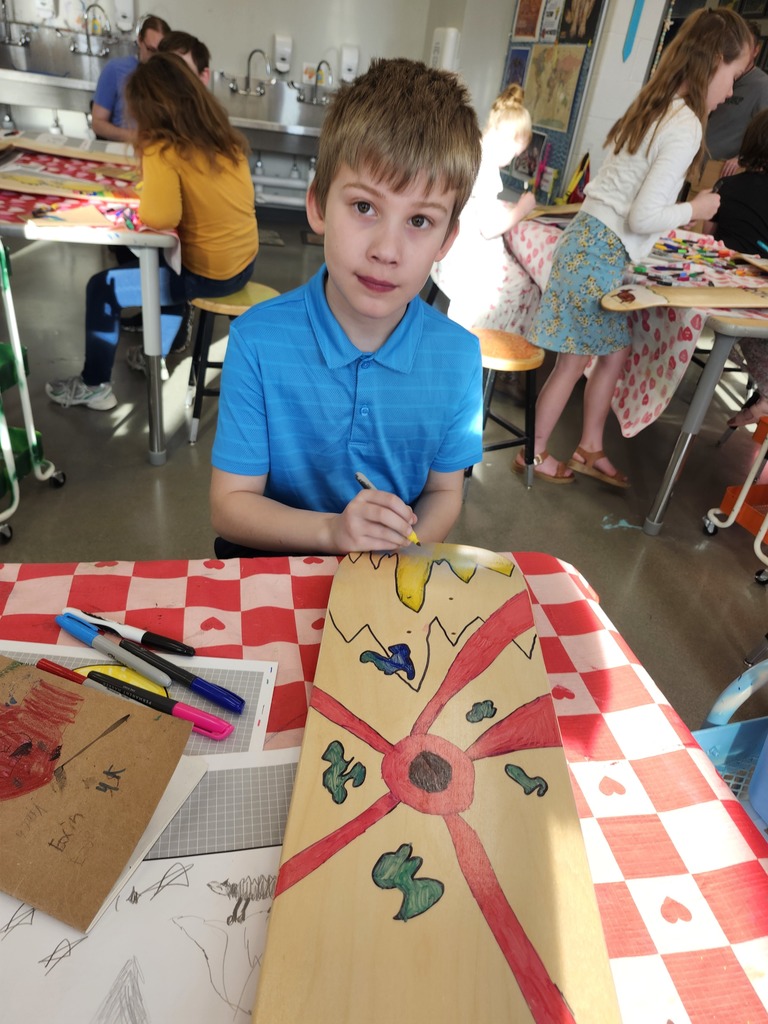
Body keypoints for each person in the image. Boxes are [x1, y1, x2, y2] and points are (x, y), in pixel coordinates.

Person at [210, 58, 483, 557]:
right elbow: (230, 505)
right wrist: (332, 533)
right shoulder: (256, 339)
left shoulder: (460, 358)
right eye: (364, 207)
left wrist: (402, 545)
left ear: (447, 239)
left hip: (388, 567)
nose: (387, 249)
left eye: (420, 220)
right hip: (271, 565)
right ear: (317, 206)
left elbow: (445, 492)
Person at [517, 6, 753, 486]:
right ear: (713, 62)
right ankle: (534, 453)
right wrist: (698, 207)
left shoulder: (656, 104)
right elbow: (642, 216)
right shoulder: (685, 124)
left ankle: (589, 446)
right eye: (733, 76)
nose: (731, 92)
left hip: (590, 243)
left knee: (613, 354)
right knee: (572, 364)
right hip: (598, 251)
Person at [46, 52, 259, 411]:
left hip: (209, 275)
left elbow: (160, 215)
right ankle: (152, 354)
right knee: (166, 263)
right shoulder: (223, 138)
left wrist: (150, 168)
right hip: (244, 263)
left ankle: (94, 384)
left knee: (102, 287)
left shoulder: (164, 146)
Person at [431, 84, 539, 357]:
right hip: (465, 263)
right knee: (527, 287)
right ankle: (495, 355)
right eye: (515, 152)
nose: (513, 159)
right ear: (507, 136)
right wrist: (522, 209)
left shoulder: (471, 150)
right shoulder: (487, 168)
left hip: (446, 251)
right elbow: (490, 228)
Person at [705, 108, 768, 427]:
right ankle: (765, 398)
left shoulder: (727, 186)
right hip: (746, 301)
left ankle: (764, 398)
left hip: (721, 290)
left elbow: (707, 237)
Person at [91, 14, 170, 143]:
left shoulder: (170, 77)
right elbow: (98, 123)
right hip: (122, 149)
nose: (155, 57)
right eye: (150, 49)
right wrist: (133, 136)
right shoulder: (115, 70)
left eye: (161, 52)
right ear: (139, 40)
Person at [705, 20, 768, 178]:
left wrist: (741, 158)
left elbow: (763, 134)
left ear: (756, 50)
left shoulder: (763, 86)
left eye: (747, 47)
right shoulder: (717, 75)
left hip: (718, 173)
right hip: (693, 161)